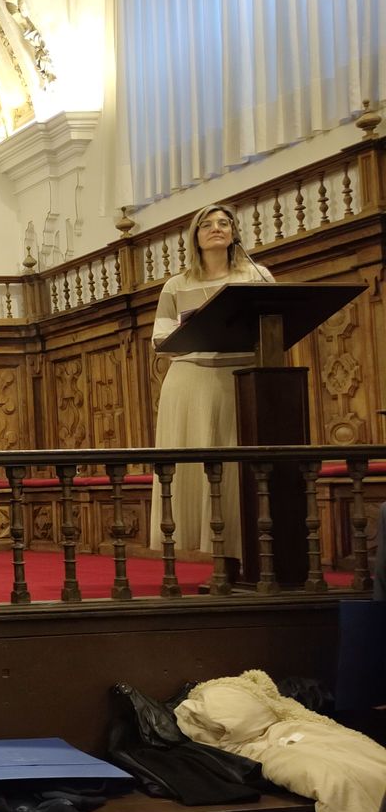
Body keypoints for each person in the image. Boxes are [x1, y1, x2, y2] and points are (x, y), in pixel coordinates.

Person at [148, 203, 272, 574]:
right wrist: (198, 328)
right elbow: (159, 337)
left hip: (240, 380)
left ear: (234, 232)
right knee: (196, 468)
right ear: (195, 236)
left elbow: (275, 321)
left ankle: (246, 555)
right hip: (190, 381)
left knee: (237, 469)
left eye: (224, 223)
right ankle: (216, 557)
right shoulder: (178, 284)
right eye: (207, 224)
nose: (216, 229)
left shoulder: (256, 276)